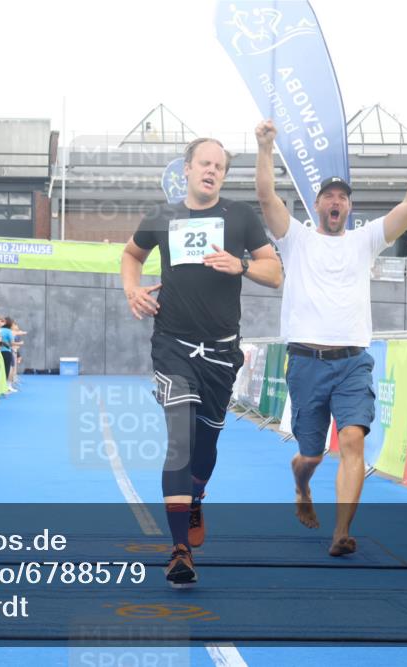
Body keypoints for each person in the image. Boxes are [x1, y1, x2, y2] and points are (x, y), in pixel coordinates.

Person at [254, 119, 407, 556]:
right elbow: (266, 197)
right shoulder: (295, 240)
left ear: (349, 209)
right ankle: (302, 484)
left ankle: (341, 532)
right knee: (311, 456)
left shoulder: (365, 241)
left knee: (353, 439)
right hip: (305, 361)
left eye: (342, 198)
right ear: (317, 205)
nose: (335, 202)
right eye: (329, 197)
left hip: (353, 362)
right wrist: (265, 147)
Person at [120, 136, 283, 587]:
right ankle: (179, 550)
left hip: (222, 353)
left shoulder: (241, 216)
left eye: (219, 166)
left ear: (223, 176)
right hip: (172, 344)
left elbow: (275, 273)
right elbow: (132, 254)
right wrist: (131, 288)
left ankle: (195, 497)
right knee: (179, 436)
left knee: (205, 448)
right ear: (187, 169)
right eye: (204, 163)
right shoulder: (162, 215)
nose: (211, 171)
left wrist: (243, 266)